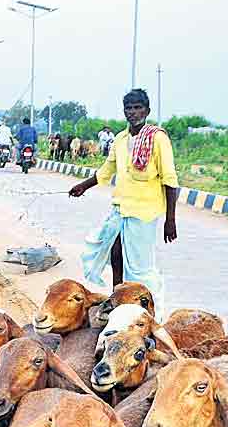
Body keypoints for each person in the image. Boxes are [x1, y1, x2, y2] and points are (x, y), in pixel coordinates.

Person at [69, 88, 178, 316]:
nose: (133, 112)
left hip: (144, 212)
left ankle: (151, 313)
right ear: (124, 111)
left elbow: (170, 179)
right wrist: (83, 186)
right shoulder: (120, 139)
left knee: (140, 268)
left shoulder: (158, 138)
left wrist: (171, 219)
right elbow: (106, 170)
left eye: (138, 108)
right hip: (121, 209)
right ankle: (117, 303)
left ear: (147, 111)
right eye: (129, 108)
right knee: (115, 253)